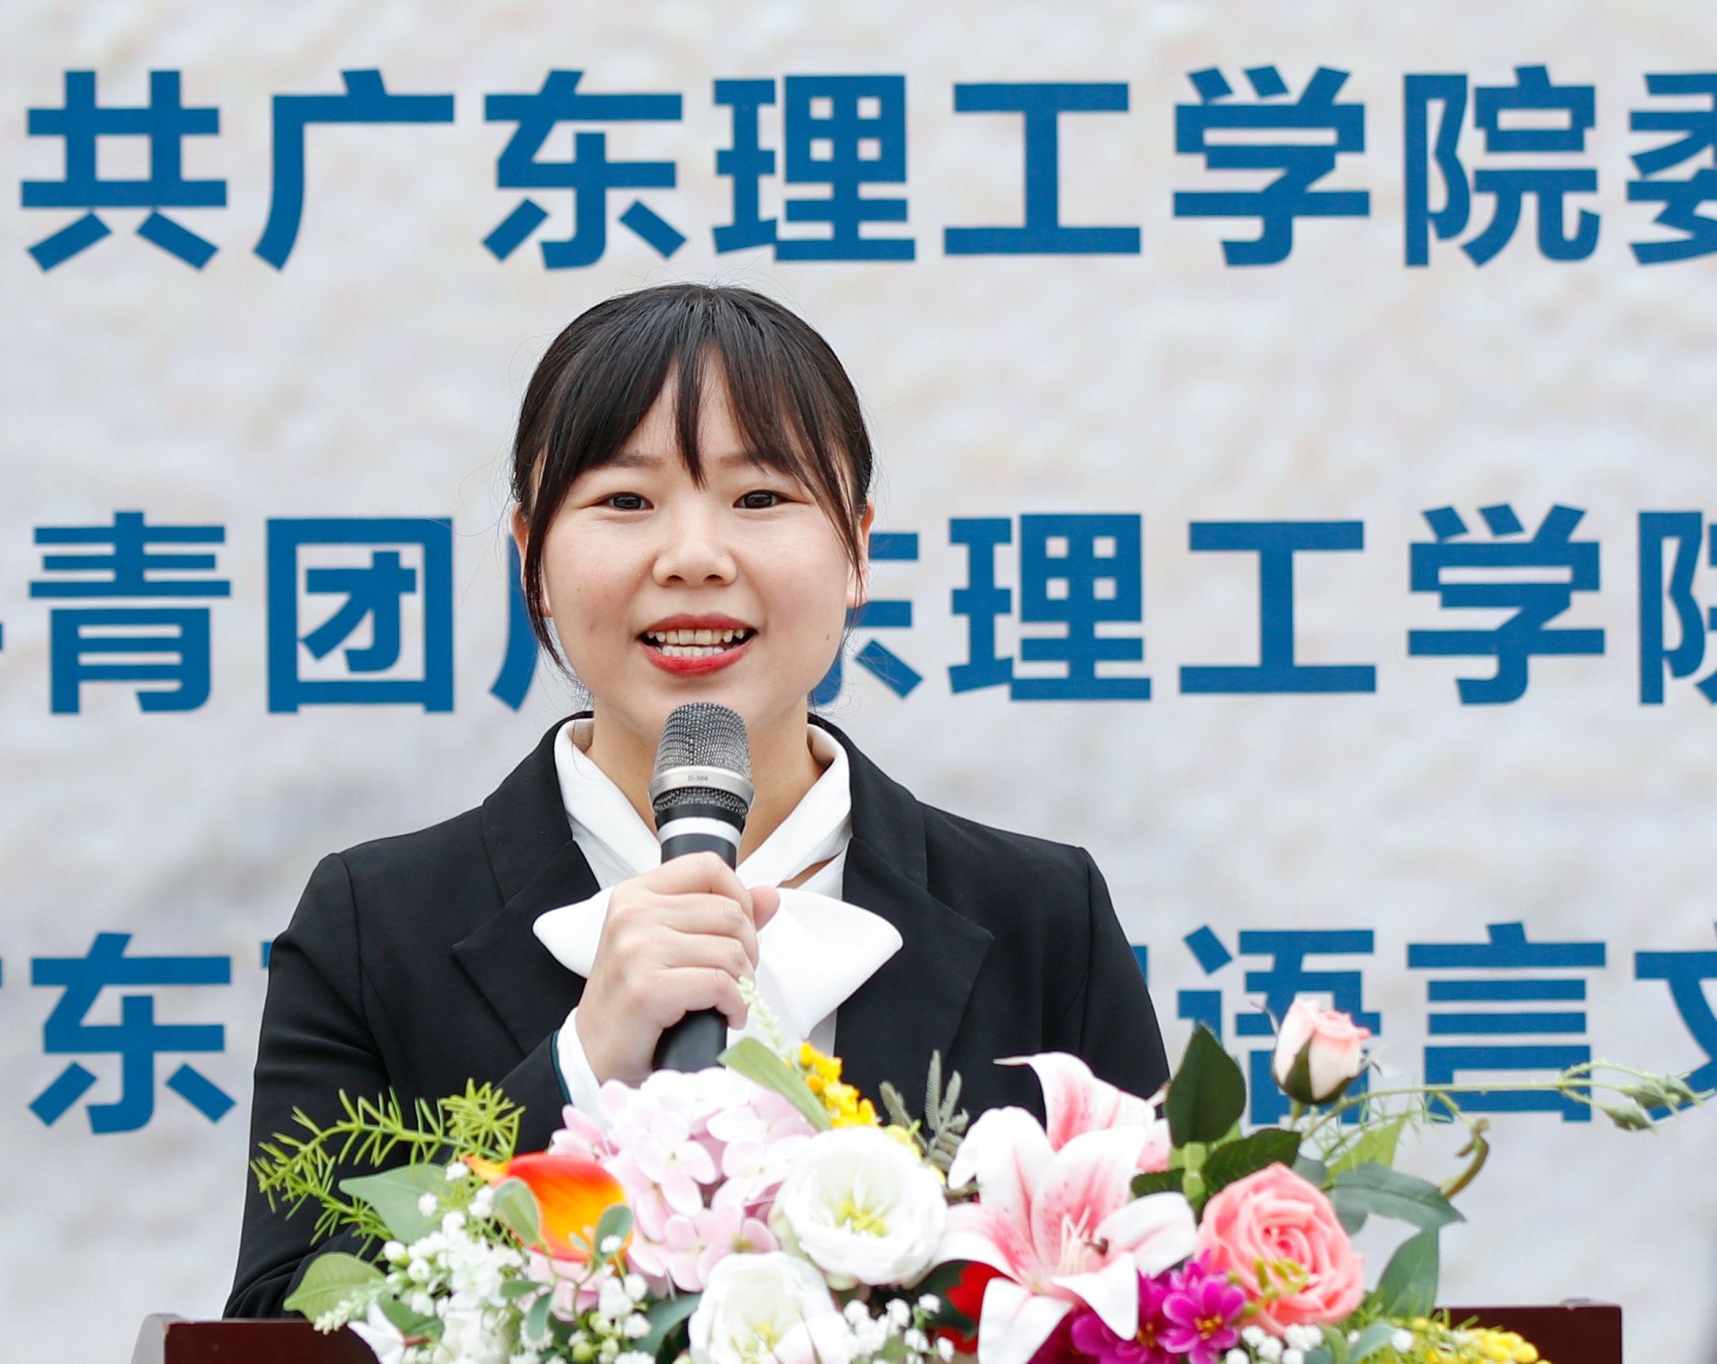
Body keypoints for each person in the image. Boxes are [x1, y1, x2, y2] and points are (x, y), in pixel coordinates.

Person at [225, 283, 1167, 1319]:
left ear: (857, 548)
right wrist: (577, 1069)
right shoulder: (372, 927)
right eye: (625, 502)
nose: (692, 557)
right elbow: (281, 1321)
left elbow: (1157, 1307)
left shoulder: (1044, 918)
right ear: (532, 554)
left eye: (759, 498)